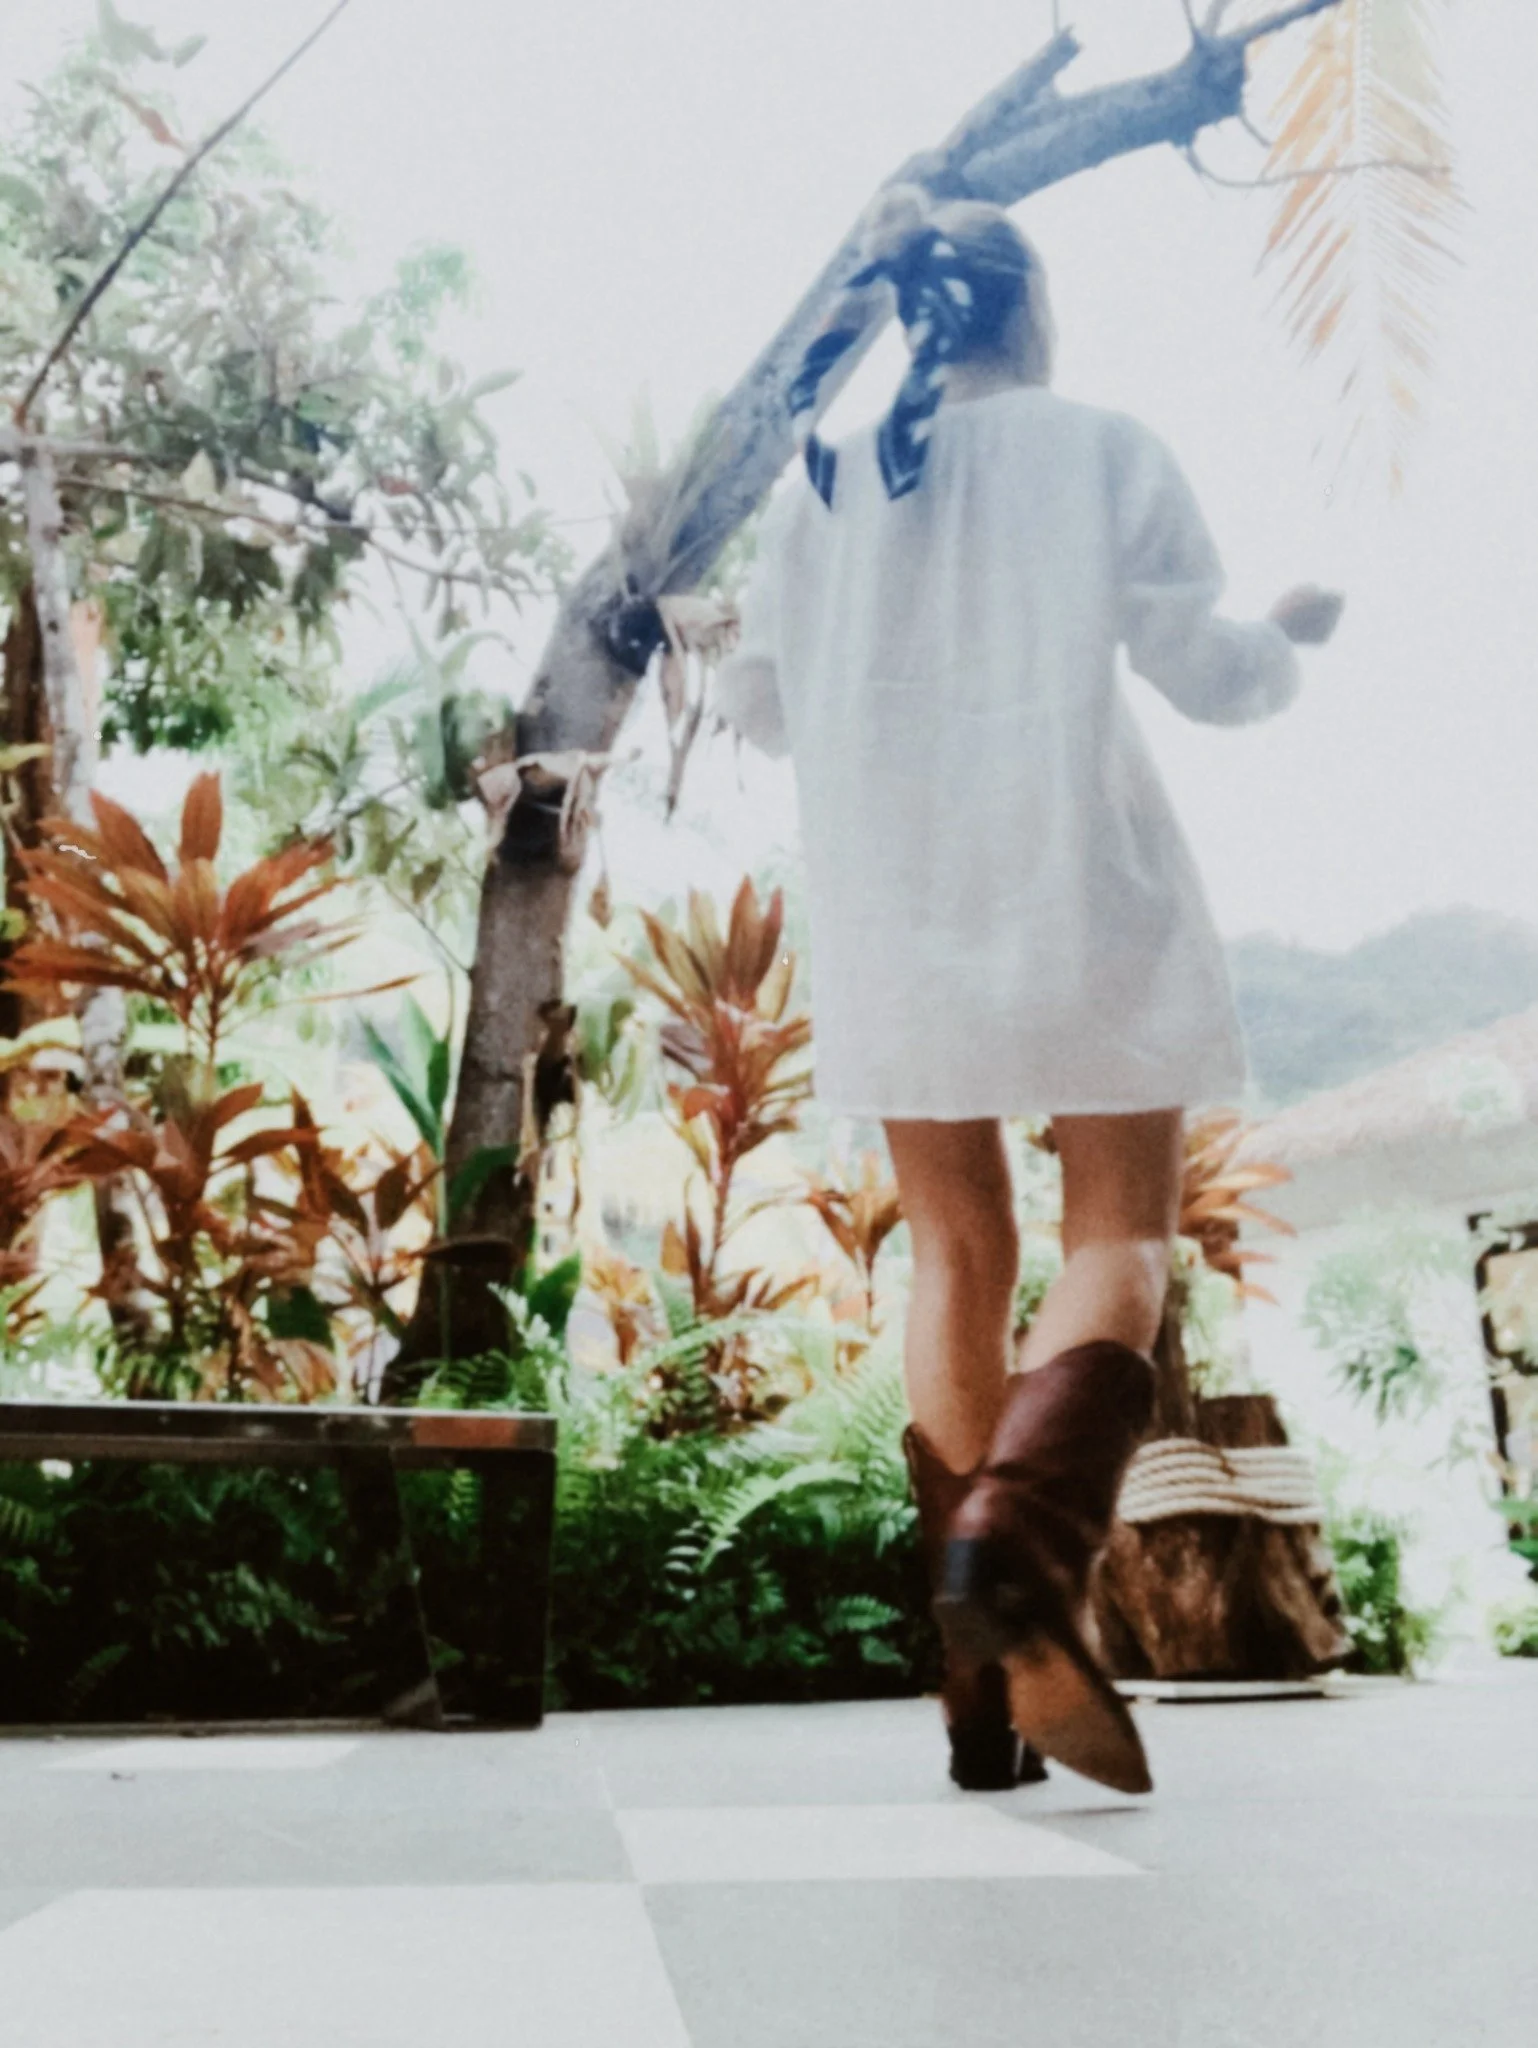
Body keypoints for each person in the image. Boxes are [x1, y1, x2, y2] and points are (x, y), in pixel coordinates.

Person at [712, 186, 1343, 1796]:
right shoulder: (1099, 448)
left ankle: (977, 1687)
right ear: (1029, 309)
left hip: (892, 903)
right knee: (1119, 1234)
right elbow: (1206, 673)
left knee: (954, 1249)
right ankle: (1022, 1548)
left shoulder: (824, 486)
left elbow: (763, 709)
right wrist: (1287, 639)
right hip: (1077, 876)